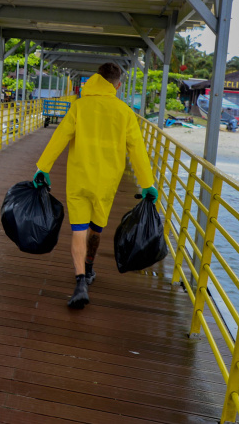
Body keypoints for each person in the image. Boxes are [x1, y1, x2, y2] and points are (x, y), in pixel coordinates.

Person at [34, 62, 156, 309]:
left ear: (95, 79)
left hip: (79, 178)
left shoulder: (79, 106)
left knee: (78, 229)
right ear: (118, 85)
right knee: (96, 228)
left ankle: (80, 281)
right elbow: (137, 150)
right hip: (107, 182)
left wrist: (43, 168)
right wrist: (147, 184)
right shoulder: (125, 112)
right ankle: (89, 268)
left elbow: (60, 137)